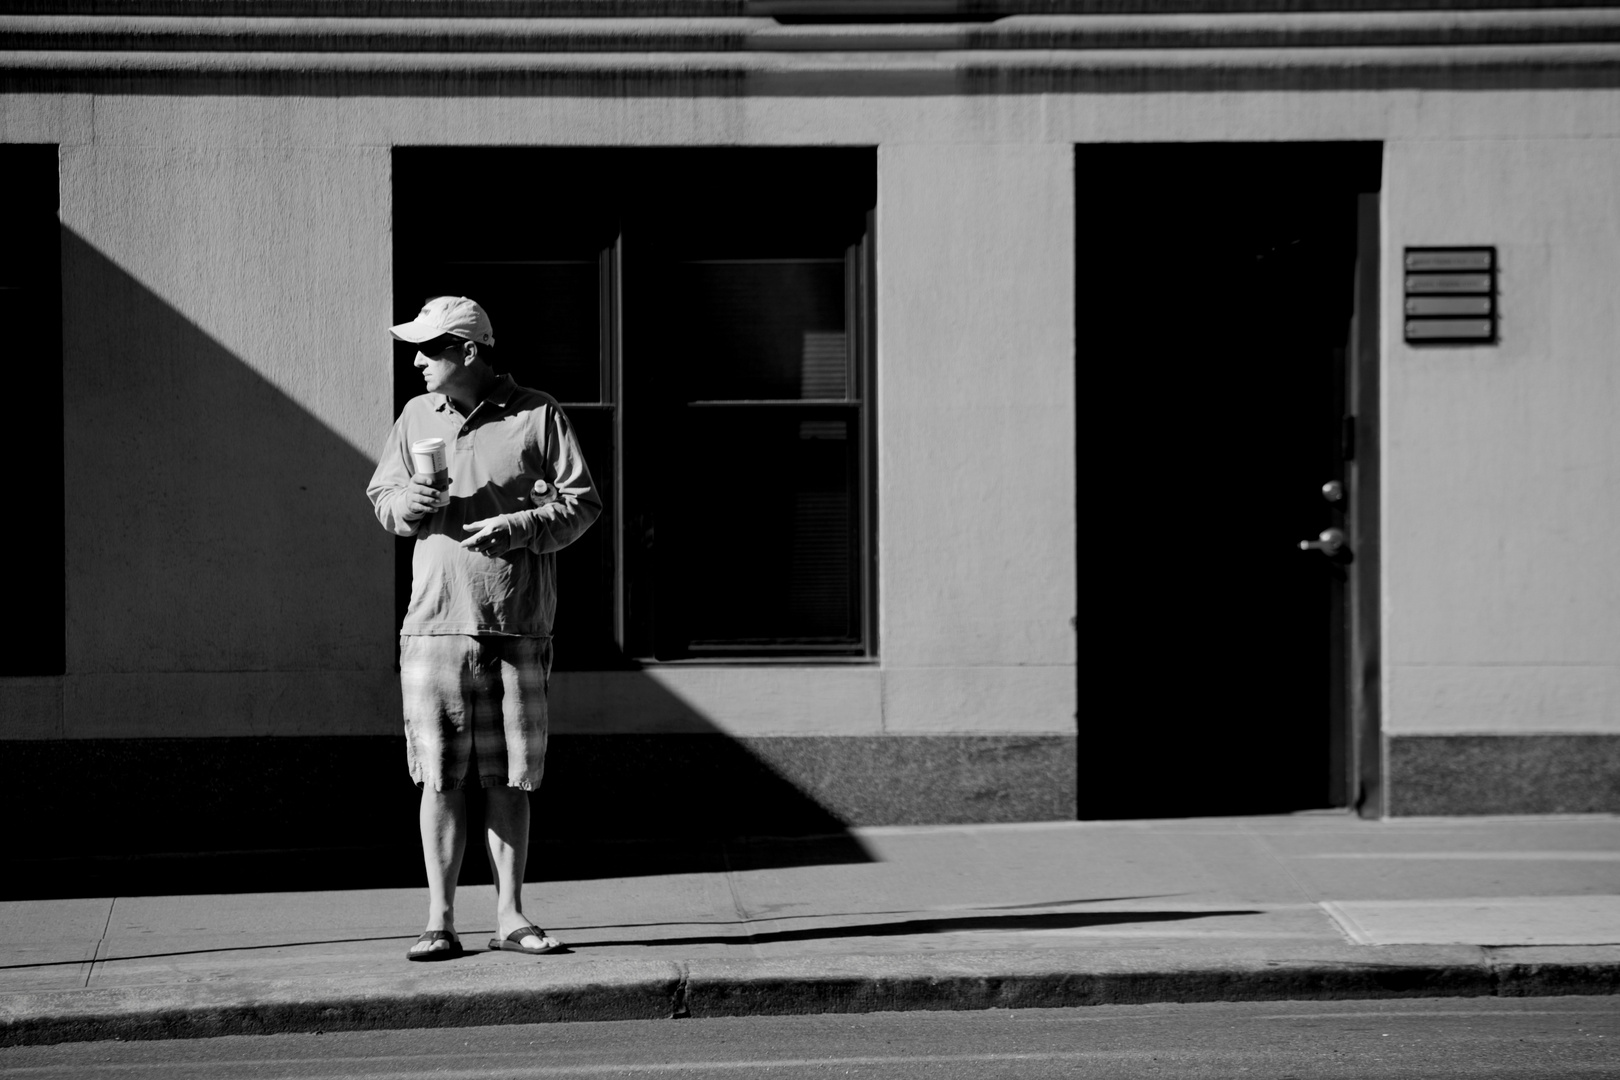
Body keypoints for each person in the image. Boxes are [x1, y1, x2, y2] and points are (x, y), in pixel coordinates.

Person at [366, 295, 601, 961]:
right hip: (434, 626)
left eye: (430, 349)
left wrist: (520, 526)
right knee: (438, 778)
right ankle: (439, 919)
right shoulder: (415, 417)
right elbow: (383, 498)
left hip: (517, 624)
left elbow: (583, 505)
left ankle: (512, 916)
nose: (416, 361)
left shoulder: (538, 414)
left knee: (511, 778)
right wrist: (406, 503)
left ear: (468, 352)